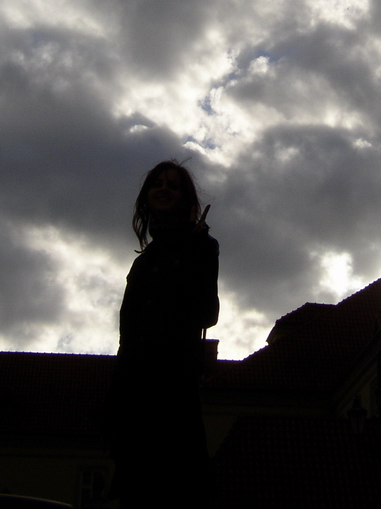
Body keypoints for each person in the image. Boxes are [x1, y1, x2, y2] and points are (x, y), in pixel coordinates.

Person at [107, 160, 219, 508]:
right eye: (158, 183)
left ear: (185, 199)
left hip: (172, 390)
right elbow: (129, 333)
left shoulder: (201, 245)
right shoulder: (144, 261)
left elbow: (207, 314)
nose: (164, 188)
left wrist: (193, 252)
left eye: (173, 184)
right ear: (147, 197)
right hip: (135, 392)